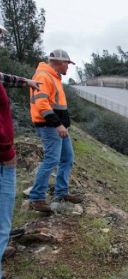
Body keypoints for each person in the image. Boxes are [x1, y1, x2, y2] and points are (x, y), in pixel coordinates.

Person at [0, 24, 40, 279]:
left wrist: (24, 80)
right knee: (0, 230)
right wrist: (7, 151)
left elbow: (2, 78)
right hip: (1, 160)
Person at [28, 49, 82, 212]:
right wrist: (57, 124)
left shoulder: (54, 77)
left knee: (67, 158)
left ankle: (61, 192)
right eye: (67, 63)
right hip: (50, 127)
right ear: (59, 62)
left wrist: (62, 125)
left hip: (59, 127)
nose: (68, 67)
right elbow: (41, 104)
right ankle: (36, 198)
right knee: (52, 160)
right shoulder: (44, 76)